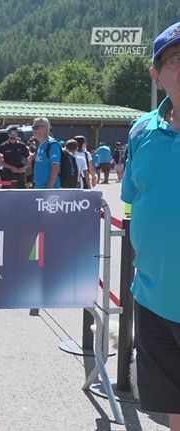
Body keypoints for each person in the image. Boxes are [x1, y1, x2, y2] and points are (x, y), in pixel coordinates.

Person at [122, 22, 180, 431]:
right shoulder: (142, 131)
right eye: (177, 59)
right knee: (174, 405)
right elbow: (133, 195)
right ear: (156, 76)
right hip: (153, 299)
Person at [32, 117, 61, 189]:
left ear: (46, 128)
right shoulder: (40, 145)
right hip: (38, 188)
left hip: (48, 190)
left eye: (36, 127)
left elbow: (55, 167)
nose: (33, 130)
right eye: (33, 127)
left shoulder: (52, 145)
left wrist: (49, 188)